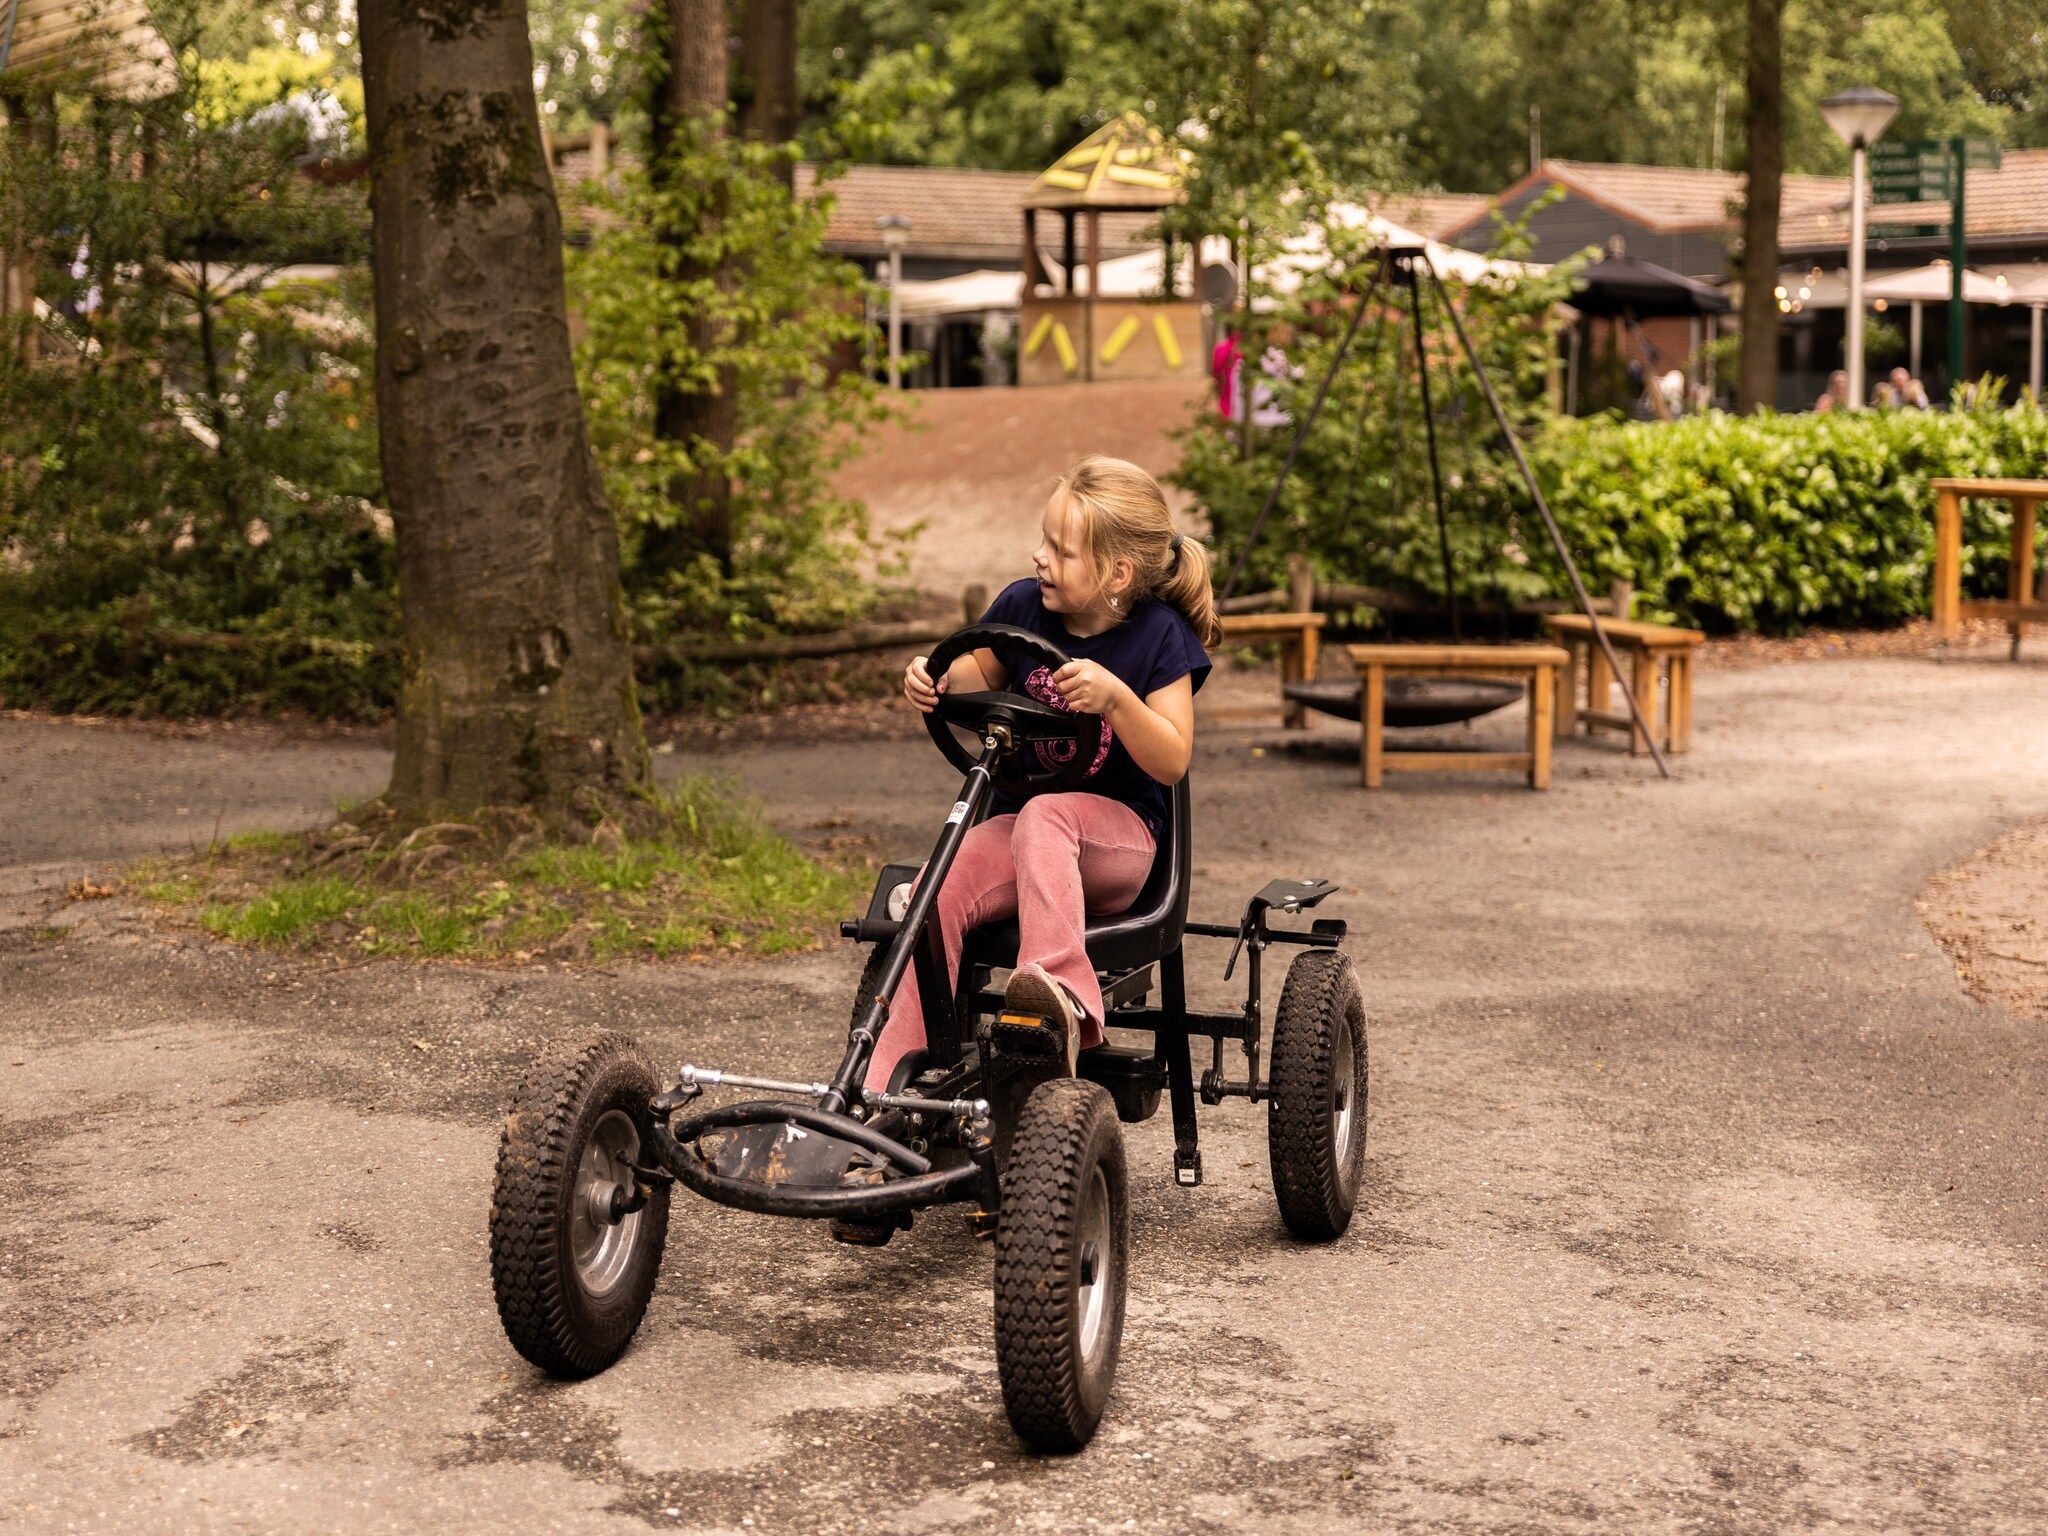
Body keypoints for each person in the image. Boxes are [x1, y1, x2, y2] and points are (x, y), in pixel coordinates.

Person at [876, 456, 1218, 1095]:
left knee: (1047, 815)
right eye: (1043, 541)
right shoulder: (1022, 605)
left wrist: (1118, 699)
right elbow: (979, 675)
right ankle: (888, 1089)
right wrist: (936, 678)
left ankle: (1057, 1001)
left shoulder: (1159, 638)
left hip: (1118, 845)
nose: (1039, 558)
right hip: (1019, 828)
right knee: (933, 891)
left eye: (1060, 551)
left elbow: (1172, 758)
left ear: (1117, 573)